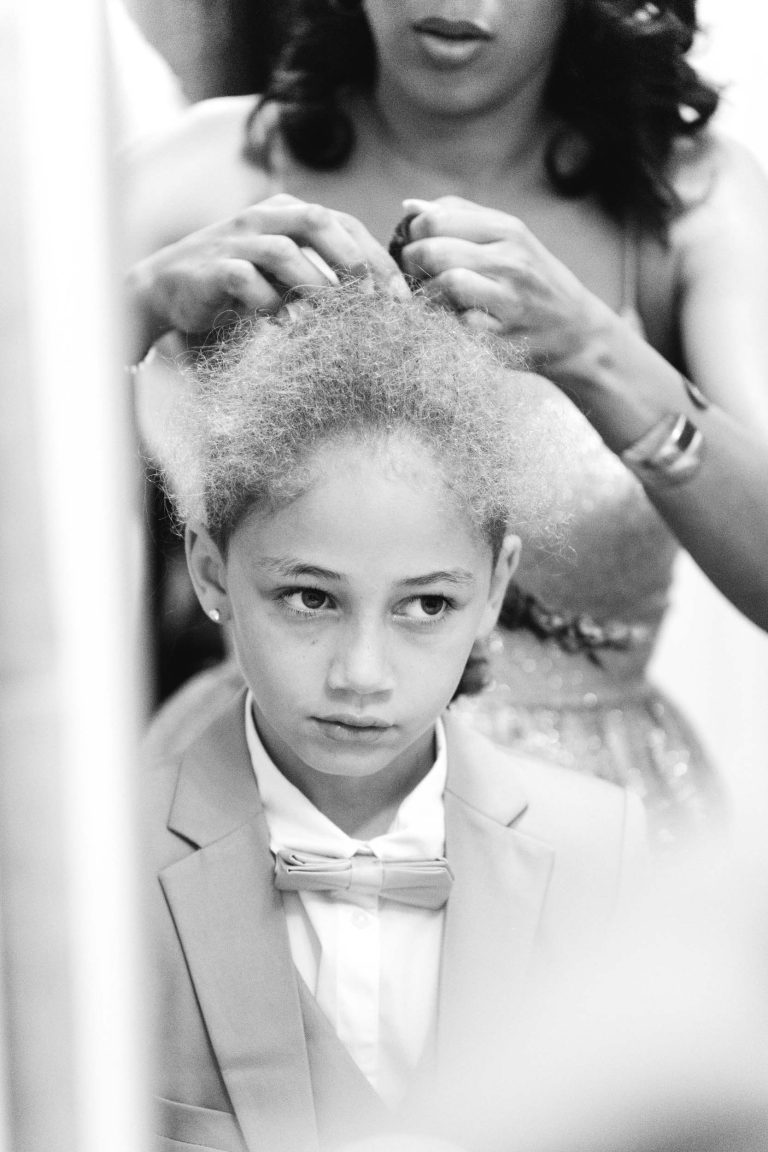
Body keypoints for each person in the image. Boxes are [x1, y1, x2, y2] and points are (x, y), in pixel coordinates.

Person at [125, 0, 768, 843]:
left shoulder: (689, 204)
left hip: (598, 827)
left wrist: (598, 354)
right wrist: (131, 303)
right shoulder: (213, 170)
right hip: (256, 796)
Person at [143, 282, 646, 1151]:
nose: (363, 675)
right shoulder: (105, 861)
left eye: (424, 607)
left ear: (493, 587)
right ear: (213, 571)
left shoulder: (603, 850)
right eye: (309, 598)